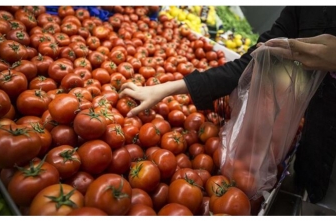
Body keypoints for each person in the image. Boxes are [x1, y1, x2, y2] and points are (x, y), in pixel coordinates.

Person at [119, 6, 336, 204]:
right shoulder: (306, 8)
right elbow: (251, 62)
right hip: (314, 137)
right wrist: (166, 88)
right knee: (309, 185)